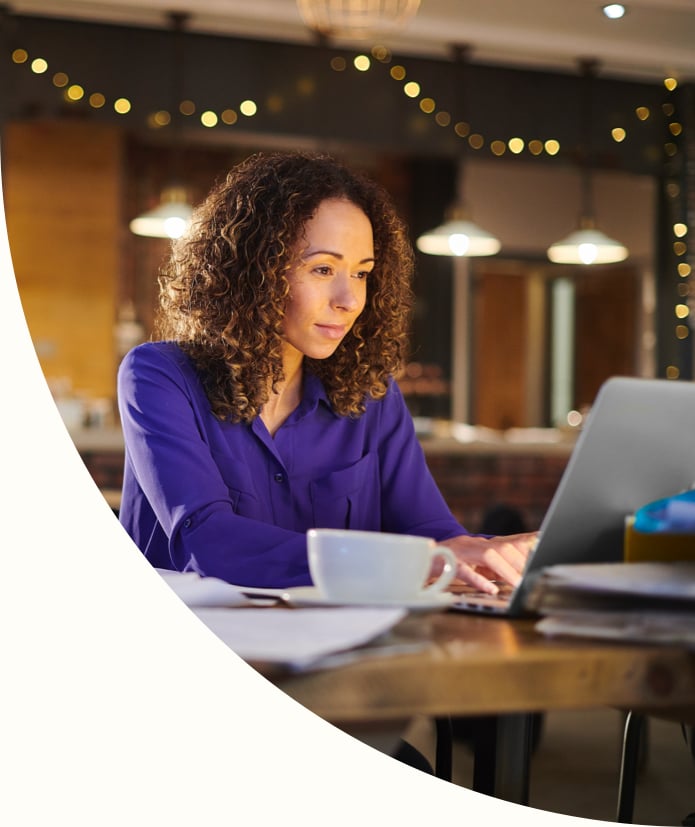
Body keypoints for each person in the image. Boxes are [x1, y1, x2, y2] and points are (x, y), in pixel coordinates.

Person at [118, 150, 537, 595]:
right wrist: (412, 563)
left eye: (361, 274)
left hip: (338, 650)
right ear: (252, 271)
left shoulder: (371, 394)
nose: (350, 299)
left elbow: (430, 534)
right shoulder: (158, 376)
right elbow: (206, 540)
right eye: (322, 269)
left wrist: (494, 555)